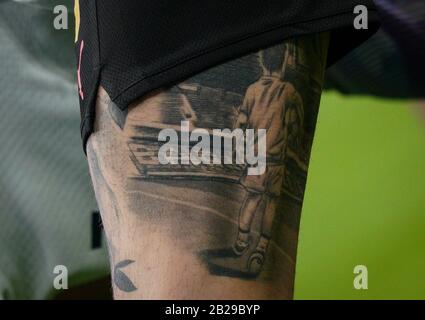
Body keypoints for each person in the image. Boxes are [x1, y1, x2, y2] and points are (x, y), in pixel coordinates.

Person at [76, 0, 380, 299]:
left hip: (197, 35)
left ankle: (246, 244)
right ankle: (251, 247)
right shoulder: (278, 92)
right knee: (262, 203)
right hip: (260, 149)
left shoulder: (256, 90)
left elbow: (247, 118)